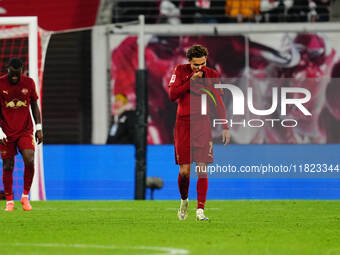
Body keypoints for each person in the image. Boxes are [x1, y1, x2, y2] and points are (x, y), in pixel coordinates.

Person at [168, 45, 230, 221]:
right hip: (183, 125)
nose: (200, 67)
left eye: (202, 63)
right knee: (185, 171)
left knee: (202, 168)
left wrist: (225, 126)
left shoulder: (211, 74)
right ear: (189, 61)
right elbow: (172, 95)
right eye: (196, 64)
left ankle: (200, 210)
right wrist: (191, 82)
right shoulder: (179, 70)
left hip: (202, 124)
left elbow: (218, 101)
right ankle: (184, 201)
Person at [0, 58, 43, 211]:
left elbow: (34, 105)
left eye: (17, 75)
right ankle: (9, 202)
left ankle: (25, 197)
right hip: (5, 131)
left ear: (22, 71)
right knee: (8, 165)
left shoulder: (29, 83)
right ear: (7, 69)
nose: (15, 78)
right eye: (12, 74)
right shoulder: (0, 83)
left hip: (25, 130)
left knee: (29, 159)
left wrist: (38, 127)